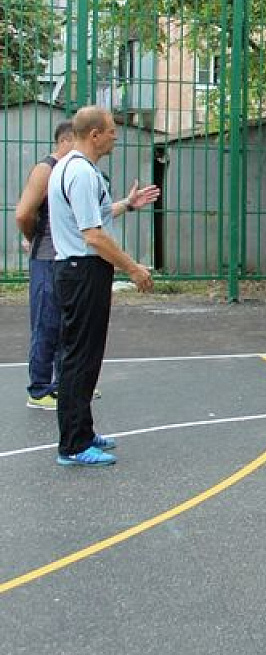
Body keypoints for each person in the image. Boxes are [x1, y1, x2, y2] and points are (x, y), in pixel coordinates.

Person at [46, 106, 159, 466]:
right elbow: (93, 235)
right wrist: (133, 268)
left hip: (79, 270)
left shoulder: (77, 167)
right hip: (81, 270)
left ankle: (82, 430)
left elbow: (96, 214)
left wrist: (128, 204)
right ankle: (73, 445)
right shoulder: (80, 172)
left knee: (85, 355)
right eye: (111, 130)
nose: (115, 135)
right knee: (79, 357)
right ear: (94, 135)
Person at [14, 121, 74, 410]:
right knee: (46, 323)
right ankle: (38, 390)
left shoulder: (70, 170)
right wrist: (35, 239)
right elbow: (23, 214)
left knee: (65, 325)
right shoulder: (45, 169)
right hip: (46, 259)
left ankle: (64, 385)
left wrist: (127, 203)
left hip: (65, 259)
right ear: (66, 141)